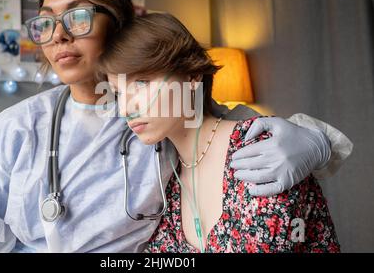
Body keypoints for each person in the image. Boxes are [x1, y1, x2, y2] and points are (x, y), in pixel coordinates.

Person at [0, 0, 350, 253]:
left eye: (77, 17)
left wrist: (313, 138)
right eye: (46, 22)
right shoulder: (12, 133)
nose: (57, 35)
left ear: (120, 22)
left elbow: (235, 131)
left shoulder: (165, 112)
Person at [98, 13, 341, 252]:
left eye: (141, 83)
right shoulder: (165, 181)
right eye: (118, 93)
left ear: (192, 76)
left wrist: (321, 142)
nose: (126, 107)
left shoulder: (261, 148)